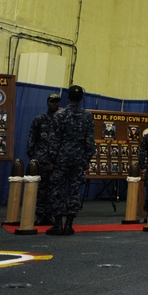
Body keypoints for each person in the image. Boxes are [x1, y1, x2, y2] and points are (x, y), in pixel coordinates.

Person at [46, 85, 96, 236]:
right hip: (79, 158)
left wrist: (52, 160)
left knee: (58, 190)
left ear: (68, 97)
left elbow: (54, 141)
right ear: (81, 98)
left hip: (61, 157)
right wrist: (86, 159)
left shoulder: (59, 115)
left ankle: (57, 224)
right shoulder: (87, 116)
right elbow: (90, 142)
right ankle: (69, 225)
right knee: (74, 191)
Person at [26, 92, 61, 225]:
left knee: (54, 190)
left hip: (57, 162)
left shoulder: (62, 120)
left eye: (57, 101)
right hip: (41, 161)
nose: (54, 104)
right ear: (47, 103)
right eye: (52, 101)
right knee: (40, 189)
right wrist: (34, 159)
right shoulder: (39, 120)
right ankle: (40, 215)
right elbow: (31, 140)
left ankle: (51, 215)